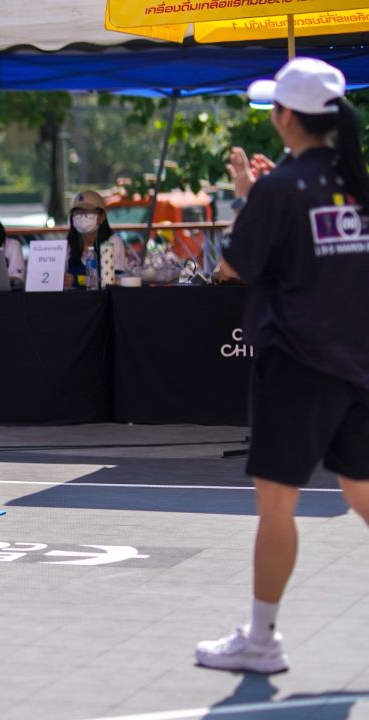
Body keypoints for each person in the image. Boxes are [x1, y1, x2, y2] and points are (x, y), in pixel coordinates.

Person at [195, 57, 369, 674]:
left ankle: (262, 639)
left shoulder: (281, 189)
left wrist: (251, 198)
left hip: (297, 362)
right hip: (359, 362)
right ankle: (260, 637)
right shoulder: (356, 181)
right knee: (362, 491)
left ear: (286, 116)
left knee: (277, 507)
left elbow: (231, 267)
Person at [63, 190, 132, 289]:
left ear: (101, 217)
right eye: (78, 212)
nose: (82, 217)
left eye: (88, 212)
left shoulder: (112, 242)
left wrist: (77, 280)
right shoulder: (67, 245)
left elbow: (114, 280)